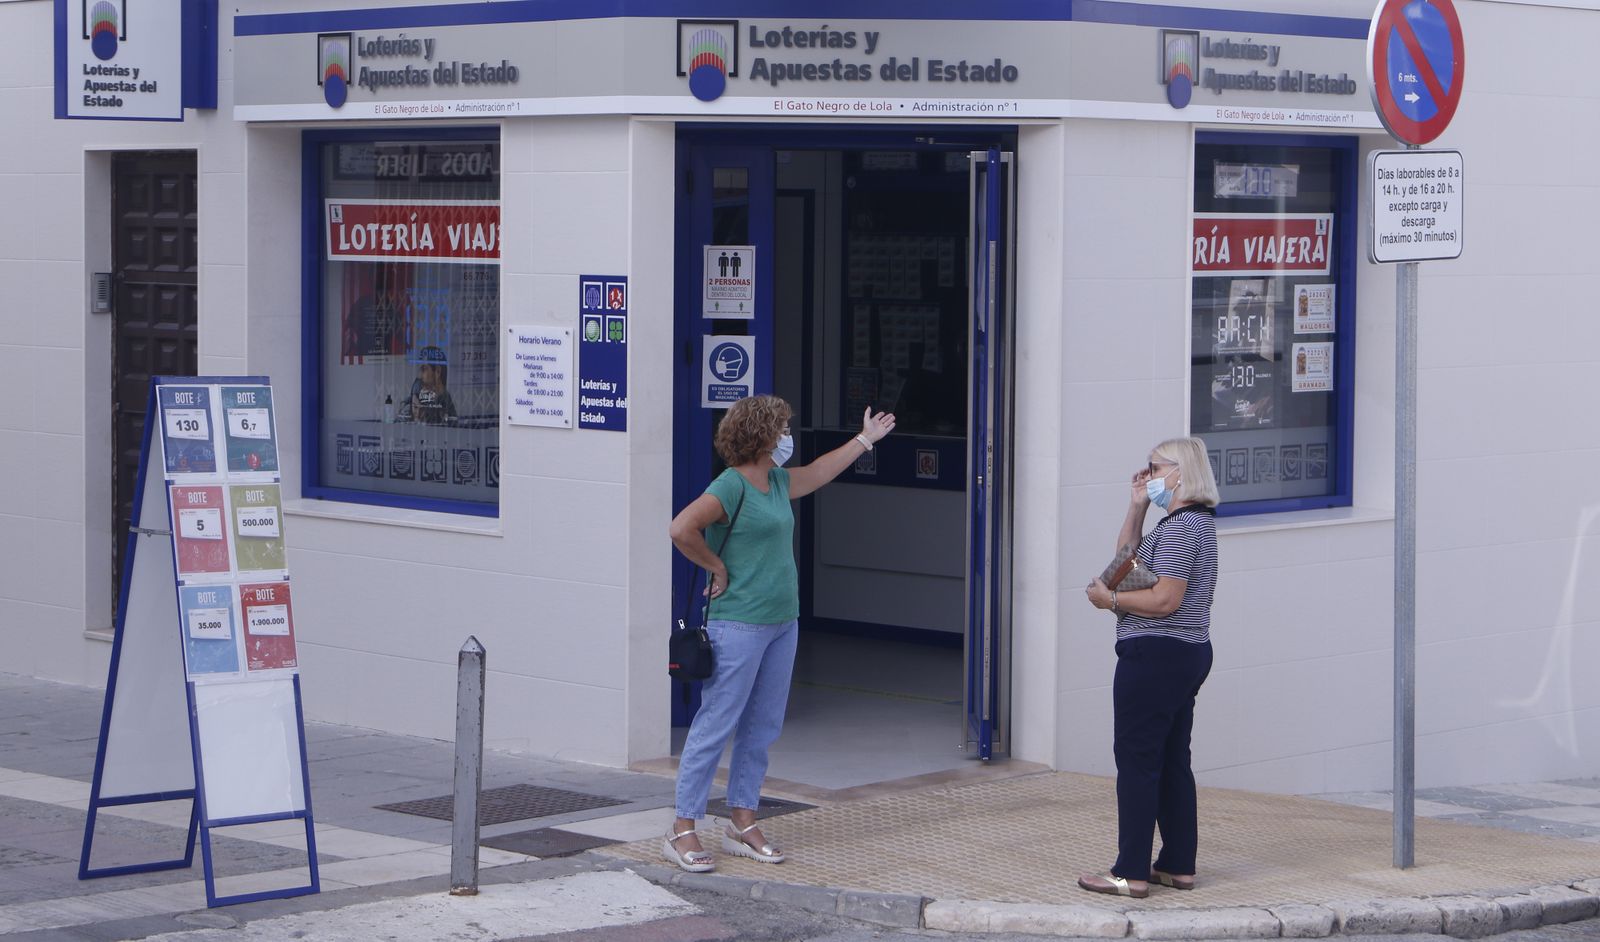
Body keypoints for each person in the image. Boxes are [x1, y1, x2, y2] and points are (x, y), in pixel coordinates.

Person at [663, 396, 895, 872]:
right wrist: (716, 566)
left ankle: (742, 821)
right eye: (783, 428)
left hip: (781, 622)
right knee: (716, 723)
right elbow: (682, 527)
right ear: (765, 435)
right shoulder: (731, 486)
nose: (787, 436)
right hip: (738, 624)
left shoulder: (775, 482)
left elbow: (821, 471)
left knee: (762, 726)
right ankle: (683, 828)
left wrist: (864, 440)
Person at [1078, 436, 1220, 899]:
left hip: (1156, 655)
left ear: (1180, 473)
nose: (1148, 474)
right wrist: (1137, 505)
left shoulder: (1182, 529)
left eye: (1155, 467)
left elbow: (1164, 599)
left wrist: (1111, 601)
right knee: (1172, 759)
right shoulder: (1186, 523)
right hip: (1183, 654)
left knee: (1138, 762)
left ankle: (1130, 873)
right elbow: (1124, 562)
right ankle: (1178, 865)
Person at [398, 346, 457, 425]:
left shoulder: (445, 402)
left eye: (424, 369)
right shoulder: (417, 392)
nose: (420, 374)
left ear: (438, 371)